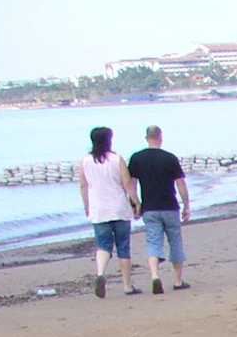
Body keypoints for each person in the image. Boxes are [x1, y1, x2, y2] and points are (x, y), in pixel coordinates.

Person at [127, 125, 191, 294]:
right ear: (160, 138)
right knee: (175, 242)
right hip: (170, 206)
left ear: (146, 138)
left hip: (150, 207)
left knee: (153, 242)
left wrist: (136, 204)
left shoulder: (137, 158)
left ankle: (155, 276)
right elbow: (180, 183)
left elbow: (131, 185)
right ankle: (178, 281)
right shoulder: (169, 158)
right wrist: (186, 205)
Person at [76, 125, 138, 299]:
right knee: (123, 246)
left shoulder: (86, 161)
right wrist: (136, 201)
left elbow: (83, 185)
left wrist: (87, 205)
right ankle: (127, 286)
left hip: (99, 209)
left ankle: (101, 273)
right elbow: (127, 183)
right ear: (109, 140)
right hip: (119, 208)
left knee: (103, 245)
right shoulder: (117, 159)